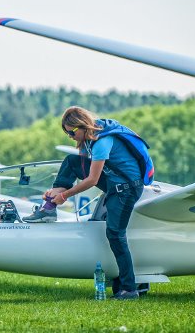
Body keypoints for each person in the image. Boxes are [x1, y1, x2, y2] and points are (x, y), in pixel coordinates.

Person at [24, 106, 145, 300]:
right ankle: (48, 208)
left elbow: (92, 180)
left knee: (115, 233)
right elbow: (79, 170)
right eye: (66, 132)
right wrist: (56, 192)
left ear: (83, 126)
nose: (70, 136)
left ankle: (129, 289)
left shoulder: (101, 142)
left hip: (127, 189)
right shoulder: (89, 140)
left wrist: (65, 196)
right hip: (115, 182)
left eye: (72, 131)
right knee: (71, 161)